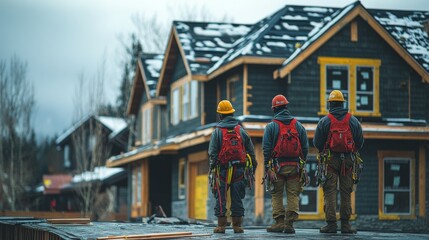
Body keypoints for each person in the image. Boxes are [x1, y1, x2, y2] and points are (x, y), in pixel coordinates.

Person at [313, 90, 364, 234]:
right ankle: (346, 225)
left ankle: (331, 225)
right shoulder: (353, 121)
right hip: (348, 160)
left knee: (329, 191)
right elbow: (360, 141)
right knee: (346, 192)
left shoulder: (324, 121)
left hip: (329, 160)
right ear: (343, 103)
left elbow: (317, 143)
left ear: (330, 104)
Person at [208, 100, 257, 234]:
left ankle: (221, 226)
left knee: (221, 196)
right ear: (232, 113)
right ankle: (237, 226)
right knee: (237, 197)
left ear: (220, 115)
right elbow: (250, 149)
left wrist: (212, 168)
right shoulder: (240, 130)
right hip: (239, 170)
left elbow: (212, 153)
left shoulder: (217, 132)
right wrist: (253, 165)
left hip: (222, 169)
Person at [263, 94, 309, 234]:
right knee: (293, 194)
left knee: (276, 194)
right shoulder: (298, 125)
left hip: (277, 167)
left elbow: (266, 148)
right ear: (286, 107)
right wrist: (302, 163)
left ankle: (279, 223)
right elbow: (305, 147)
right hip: (295, 166)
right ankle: (289, 224)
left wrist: (267, 167)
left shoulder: (271, 126)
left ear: (274, 109)